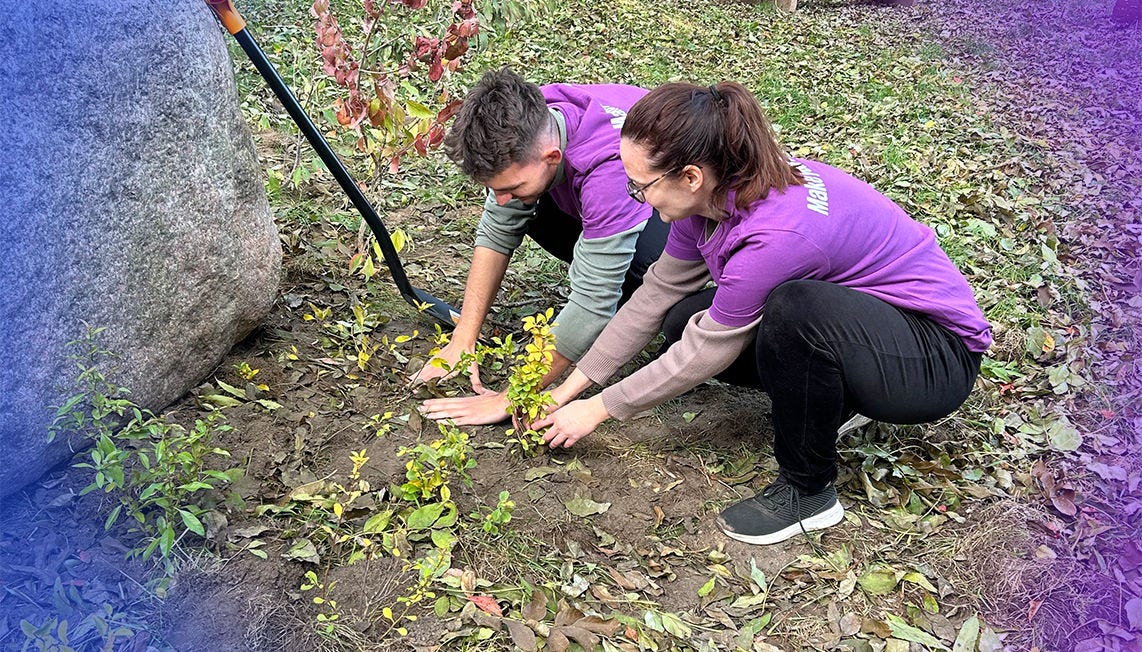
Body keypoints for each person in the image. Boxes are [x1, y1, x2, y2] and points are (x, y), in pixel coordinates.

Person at [532, 82, 992, 546]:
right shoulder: (713, 197)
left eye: (641, 185)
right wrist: (573, 386)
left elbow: (706, 351)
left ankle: (809, 492)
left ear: (691, 176)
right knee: (681, 317)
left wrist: (596, 410)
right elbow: (658, 293)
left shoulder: (777, 236)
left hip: (934, 357)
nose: (638, 195)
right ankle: (838, 399)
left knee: (794, 311)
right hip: (867, 328)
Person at [414, 68, 667, 425]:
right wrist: (462, 340)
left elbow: (593, 304)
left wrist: (512, 394)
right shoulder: (528, 118)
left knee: (648, 277)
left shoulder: (609, 166)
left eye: (509, 186)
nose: (499, 200)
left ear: (552, 156)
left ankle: (634, 290)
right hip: (598, 188)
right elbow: (497, 232)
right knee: (521, 204)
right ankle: (605, 257)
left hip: (682, 218)